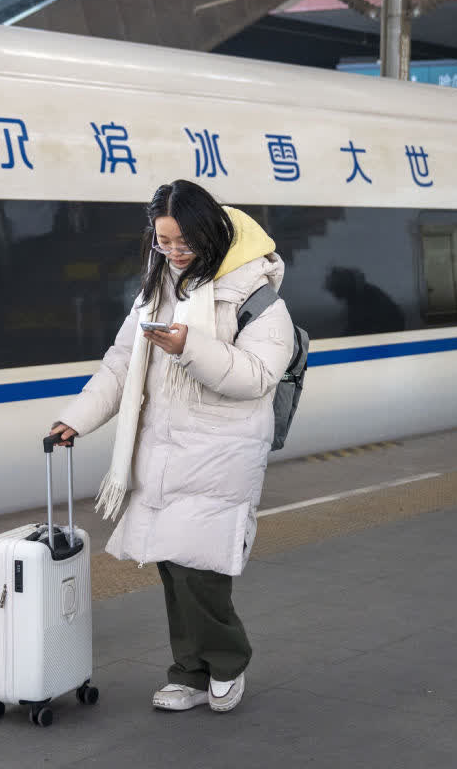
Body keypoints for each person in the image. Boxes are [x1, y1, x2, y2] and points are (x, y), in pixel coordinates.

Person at [49, 179, 295, 714]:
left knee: (200, 573)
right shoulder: (158, 290)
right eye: (163, 242)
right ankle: (188, 671)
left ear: (211, 233)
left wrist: (190, 347)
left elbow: (256, 377)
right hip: (160, 453)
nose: (174, 252)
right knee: (171, 566)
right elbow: (120, 363)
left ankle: (227, 664)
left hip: (218, 455)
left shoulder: (258, 298)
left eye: (184, 242)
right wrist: (76, 419)